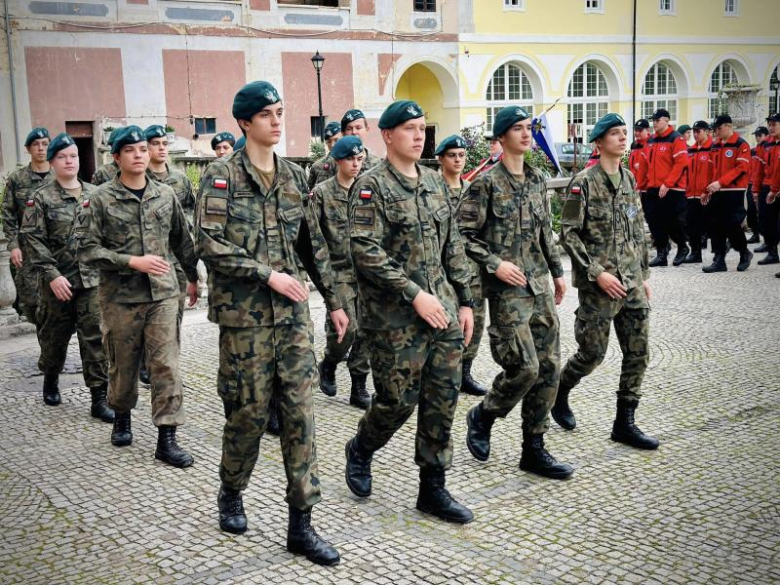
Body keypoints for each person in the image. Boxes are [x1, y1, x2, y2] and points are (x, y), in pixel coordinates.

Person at [196, 81, 347, 566]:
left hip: (294, 322)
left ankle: (301, 524)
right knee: (249, 415)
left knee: (301, 415)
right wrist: (267, 275)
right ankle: (231, 490)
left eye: (280, 111)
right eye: (266, 114)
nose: (277, 121)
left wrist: (335, 299)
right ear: (244, 122)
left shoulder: (293, 177)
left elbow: (311, 244)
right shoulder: (220, 177)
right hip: (245, 322)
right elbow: (209, 244)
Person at [344, 99, 476, 525]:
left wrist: (467, 299)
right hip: (395, 318)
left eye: (422, 128)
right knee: (397, 401)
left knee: (442, 399)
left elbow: (452, 244)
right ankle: (362, 447)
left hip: (444, 313)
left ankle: (432, 489)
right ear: (387, 136)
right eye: (409, 129)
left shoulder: (436, 183)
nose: (419, 135)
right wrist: (414, 293)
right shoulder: (371, 187)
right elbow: (365, 250)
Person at [458, 106, 572, 480]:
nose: (526, 134)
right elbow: (462, 236)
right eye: (518, 129)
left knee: (550, 367)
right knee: (524, 367)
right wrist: (495, 264)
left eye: (529, 128)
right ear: (501, 137)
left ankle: (533, 448)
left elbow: (545, 232)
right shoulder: (486, 184)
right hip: (507, 291)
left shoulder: (538, 180)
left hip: (539, 285)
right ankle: (484, 413)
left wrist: (557, 272)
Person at [78, 125, 200, 467]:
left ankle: (167, 437)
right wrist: (131, 261)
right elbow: (86, 249)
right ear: (116, 157)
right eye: (130, 150)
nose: (139, 155)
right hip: (120, 298)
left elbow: (182, 240)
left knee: (166, 365)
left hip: (162, 294)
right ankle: (121, 416)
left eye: (143, 150)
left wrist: (193, 277)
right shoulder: (99, 199)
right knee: (123, 365)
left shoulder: (165, 194)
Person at [554, 113, 659, 450]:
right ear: (599, 143)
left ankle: (624, 423)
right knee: (592, 354)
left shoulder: (628, 179)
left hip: (631, 283)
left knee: (638, 353)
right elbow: (567, 233)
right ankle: (559, 391)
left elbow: (638, 231)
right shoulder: (582, 182)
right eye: (615, 133)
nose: (622, 138)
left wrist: (643, 275)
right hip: (599, 287)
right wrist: (596, 273)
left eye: (624, 133)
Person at [20, 133, 113, 422]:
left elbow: (108, 235)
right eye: (62, 156)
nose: (69, 161)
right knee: (54, 338)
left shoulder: (96, 194)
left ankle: (99, 398)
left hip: (91, 282)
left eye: (73, 155)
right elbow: (32, 239)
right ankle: (50, 376)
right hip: (57, 283)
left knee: (95, 338)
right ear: (52, 162)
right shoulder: (40, 198)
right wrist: (52, 275)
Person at [312, 135, 371, 409]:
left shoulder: (368, 190)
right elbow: (313, 237)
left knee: (367, 330)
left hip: (367, 272)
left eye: (360, 159)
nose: (356, 164)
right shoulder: (322, 193)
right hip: (337, 271)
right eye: (350, 159)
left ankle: (359, 386)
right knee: (347, 330)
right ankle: (330, 361)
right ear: (337, 160)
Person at [436, 134, 487, 396]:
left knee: (474, 323)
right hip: (444, 272)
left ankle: (465, 372)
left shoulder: (473, 191)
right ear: (441, 159)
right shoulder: (434, 190)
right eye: (452, 155)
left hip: (472, 271)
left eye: (461, 155)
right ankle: (443, 374)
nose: (457, 160)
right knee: (444, 325)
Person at [2, 127, 52, 327]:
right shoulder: (17, 179)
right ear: (28, 149)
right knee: (31, 302)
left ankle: (53, 349)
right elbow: (8, 214)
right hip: (28, 251)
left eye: (45, 144)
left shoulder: (60, 176)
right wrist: (13, 245)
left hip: (56, 249)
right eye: (35, 144)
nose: (41, 148)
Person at [701, 115, 753, 273]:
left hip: (734, 191)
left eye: (719, 128)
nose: (716, 131)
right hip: (717, 191)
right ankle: (719, 260)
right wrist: (706, 190)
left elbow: (741, 169)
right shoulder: (715, 146)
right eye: (715, 129)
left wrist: (721, 182)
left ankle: (744, 253)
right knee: (716, 226)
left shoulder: (741, 144)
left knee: (733, 225)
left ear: (728, 126)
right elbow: (710, 170)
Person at [645, 108, 690, 267]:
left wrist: (668, 183)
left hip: (672, 188)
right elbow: (647, 165)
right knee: (654, 221)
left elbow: (681, 163)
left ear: (667, 120)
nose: (654, 123)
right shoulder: (651, 140)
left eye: (657, 121)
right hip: (653, 187)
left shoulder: (676, 139)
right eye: (653, 121)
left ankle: (683, 247)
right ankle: (661, 253)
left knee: (672, 221)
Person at [682, 120, 714, 264]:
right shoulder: (691, 150)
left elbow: (714, 172)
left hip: (706, 194)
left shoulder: (713, 148)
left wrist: (708, 190)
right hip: (691, 194)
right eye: (694, 131)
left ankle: (721, 252)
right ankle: (695, 253)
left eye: (698, 131)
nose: (695, 134)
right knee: (691, 225)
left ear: (707, 132)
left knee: (711, 225)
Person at [753, 113, 780, 265]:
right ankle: (772, 252)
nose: (770, 127)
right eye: (769, 124)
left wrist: (775, 189)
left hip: (777, 188)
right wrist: (756, 190)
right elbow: (760, 169)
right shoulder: (766, 145)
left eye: (774, 124)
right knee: (765, 221)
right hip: (767, 186)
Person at [747, 126, 769, 245]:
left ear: (766, 136)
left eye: (760, 135)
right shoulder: (753, 151)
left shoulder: (769, 148)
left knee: (765, 213)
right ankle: (755, 234)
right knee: (751, 211)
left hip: (765, 184)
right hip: (752, 183)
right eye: (756, 135)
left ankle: (767, 239)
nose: (757, 137)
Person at [307, 121, 342, 190]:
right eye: (329, 141)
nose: (332, 145)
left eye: (336, 140)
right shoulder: (317, 167)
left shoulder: (354, 164)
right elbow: (311, 194)